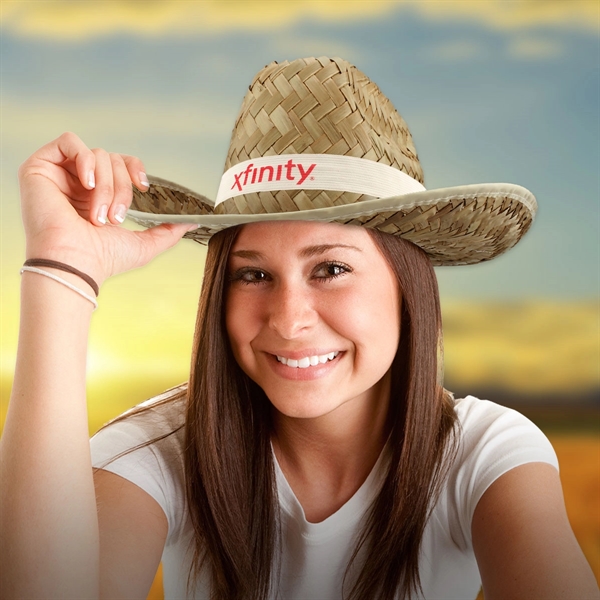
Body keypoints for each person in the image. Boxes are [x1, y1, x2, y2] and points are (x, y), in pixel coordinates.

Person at [1, 56, 597, 600]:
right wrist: (61, 269)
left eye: (331, 269)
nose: (288, 319)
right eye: (253, 275)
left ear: (407, 285)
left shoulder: (486, 454)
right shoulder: (156, 451)